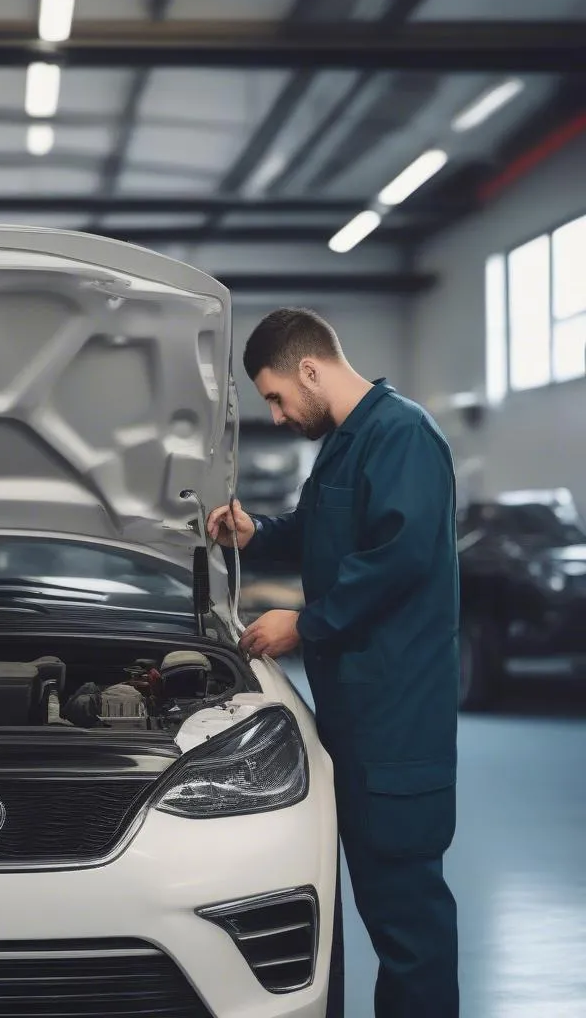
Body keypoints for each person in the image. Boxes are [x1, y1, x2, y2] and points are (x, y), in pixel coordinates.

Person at [207, 308, 459, 1018]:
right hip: (358, 724)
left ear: (310, 370)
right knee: (382, 915)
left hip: (399, 728)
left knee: (410, 927)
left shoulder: (402, 434)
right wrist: (257, 533)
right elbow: (322, 538)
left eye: (277, 397)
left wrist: (306, 622)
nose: (279, 416)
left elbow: (400, 557)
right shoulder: (346, 446)